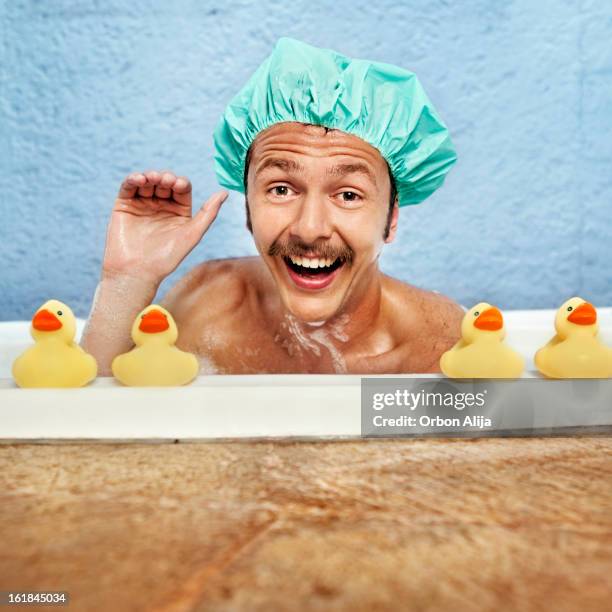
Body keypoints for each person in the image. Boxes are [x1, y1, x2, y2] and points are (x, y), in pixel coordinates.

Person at [82, 38, 464, 375]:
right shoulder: (206, 309)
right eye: (282, 190)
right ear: (248, 209)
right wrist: (127, 282)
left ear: (391, 218)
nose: (309, 228)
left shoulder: (435, 347)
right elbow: (98, 419)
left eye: (348, 195)